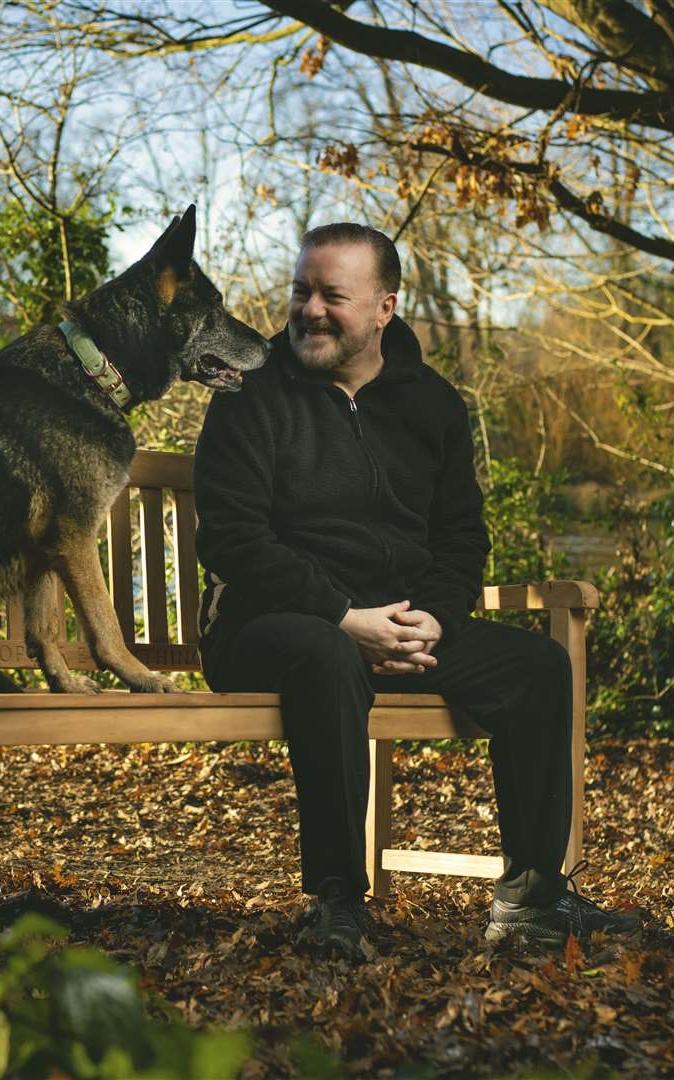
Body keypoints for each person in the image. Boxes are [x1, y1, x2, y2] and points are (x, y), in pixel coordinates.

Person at [193, 223, 639, 959]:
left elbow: (461, 537)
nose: (309, 310)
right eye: (301, 291)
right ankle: (336, 901)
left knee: (536, 668)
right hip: (266, 623)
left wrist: (432, 618)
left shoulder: (432, 405)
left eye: (333, 296)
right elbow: (234, 538)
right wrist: (345, 617)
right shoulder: (251, 391)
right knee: (326, 653)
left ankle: (532, 896)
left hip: (402, 626)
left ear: (384, 308)